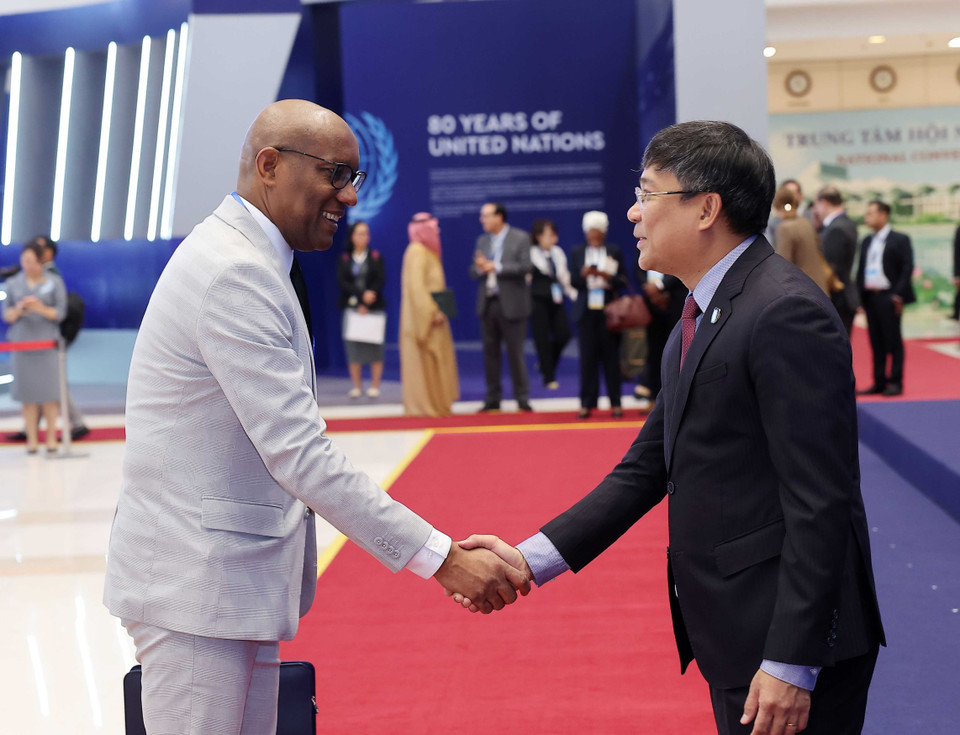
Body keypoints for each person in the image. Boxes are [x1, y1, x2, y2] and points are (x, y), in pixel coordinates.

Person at [102, 100, 528, 735]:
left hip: (225, 590)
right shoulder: (235, 272)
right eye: (335, 174)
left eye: (353, 179)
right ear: (269, 165)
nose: (348, 198)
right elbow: (300, 454)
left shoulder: (250, 257)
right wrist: (442, 558)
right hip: (197, 592)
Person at [455, 121, 885, 735]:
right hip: (739, 633)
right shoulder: (704, 310)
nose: (632, 213)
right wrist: (528, 560)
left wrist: (792, 660)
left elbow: (821, 500)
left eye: (648, 194)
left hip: (785, 646)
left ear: (707, 207)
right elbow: (646, 468)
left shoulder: (782, 311)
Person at [2, 241, 66, 454]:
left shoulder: (54, 282)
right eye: (25, 261)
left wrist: (39, 308)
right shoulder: (13, 284)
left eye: (32, 261)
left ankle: (50, 438)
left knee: (49, 394)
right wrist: (20, 309)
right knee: (28, 395)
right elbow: (7, 316)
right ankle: (31, 439)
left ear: (41, 262)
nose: (28, 265)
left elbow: (60, 313)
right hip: (22, 344)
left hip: (47, 344)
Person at [471, 202, 533, 412]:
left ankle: (522, 397)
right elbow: (473, 270)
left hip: (512, 303)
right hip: (488, 303)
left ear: (499, 217)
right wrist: (480, 268)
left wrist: (495, 266)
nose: (483, 220)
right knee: (490, 354)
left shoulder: (520, 237)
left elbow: (526, 266)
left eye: (486, 216)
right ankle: (492, 398)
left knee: (516, 353)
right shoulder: (482, 240)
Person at [569, 210, 628, 419]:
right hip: (586, 311)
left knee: (612, 358)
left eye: (597, 233)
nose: (593, 237)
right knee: (587, 359)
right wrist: (584, 275)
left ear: (603, 233)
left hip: (609, 311)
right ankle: (586, 403)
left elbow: (623, 281)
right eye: (590, 233)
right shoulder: (577, 252)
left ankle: (616, 402)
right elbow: (573, 281)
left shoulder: (614, 250)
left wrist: (605, 276)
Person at [399, 212, 459, 416]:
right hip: (425, 319)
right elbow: (417, 289)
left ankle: (439, 404)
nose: (437, 232)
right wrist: (432, 312)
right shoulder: (417, 251)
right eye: (433, 228)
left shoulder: (426, 252)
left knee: (437, 362)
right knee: (427, 361)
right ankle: (426, 407)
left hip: (435, 317)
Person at [855, 200, 915, 397]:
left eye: (871, 213)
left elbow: (907, 268)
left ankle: (896, 382)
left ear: (884, 215)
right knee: (875, 341)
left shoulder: (900, 239)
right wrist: (860, 298)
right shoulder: (867, 241)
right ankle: (879, 381)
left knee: (893, 341)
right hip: (871, 297)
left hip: (890, 296)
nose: (867, 217)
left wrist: (897, 294)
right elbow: (861, 269)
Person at [337, 221, 386, 398]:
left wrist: (370, 296)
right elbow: (344, 282)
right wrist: (360, 298)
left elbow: (380, 279)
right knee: (354, 348)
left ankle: (374, 385)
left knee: (375, 346)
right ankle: (357, 386)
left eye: (366, 233)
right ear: (352, 236)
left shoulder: (375, 256)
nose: (363, 237)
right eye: (359, 233)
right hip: (352, 308)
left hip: (374, 307)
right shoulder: (344, 258)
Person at [528, 219, 575, 389]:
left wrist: (573, 294)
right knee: (542, 339)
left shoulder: (557, 252)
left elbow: (564, 277)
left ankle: (546, 362)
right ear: (538, 236)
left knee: (564, 334)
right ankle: (549, 376)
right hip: (537, 300)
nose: (553, 238)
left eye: (554, 234)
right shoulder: (530, 253)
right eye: (549, 234)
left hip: (556, 299)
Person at [813, 186, 858, 334]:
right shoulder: (846, 223)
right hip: (843, 298)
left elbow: (830, 268)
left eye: (816, 205)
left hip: (837, 299)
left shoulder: (836, 228)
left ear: (824, 203)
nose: (815, 210)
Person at [772, 185, 830, 295]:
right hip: (820, 289)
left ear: (776, 206)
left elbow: (783, 265)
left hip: (802, 292)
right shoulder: (806, 222)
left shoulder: (784, 228)